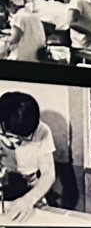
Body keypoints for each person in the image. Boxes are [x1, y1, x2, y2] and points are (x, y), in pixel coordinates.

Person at [0, 89, 63, 221]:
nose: (19, 143)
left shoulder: (42, 130)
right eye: (13, 138)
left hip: (31, 190)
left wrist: (29, 199)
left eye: (26, 139)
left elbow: (48, 173)